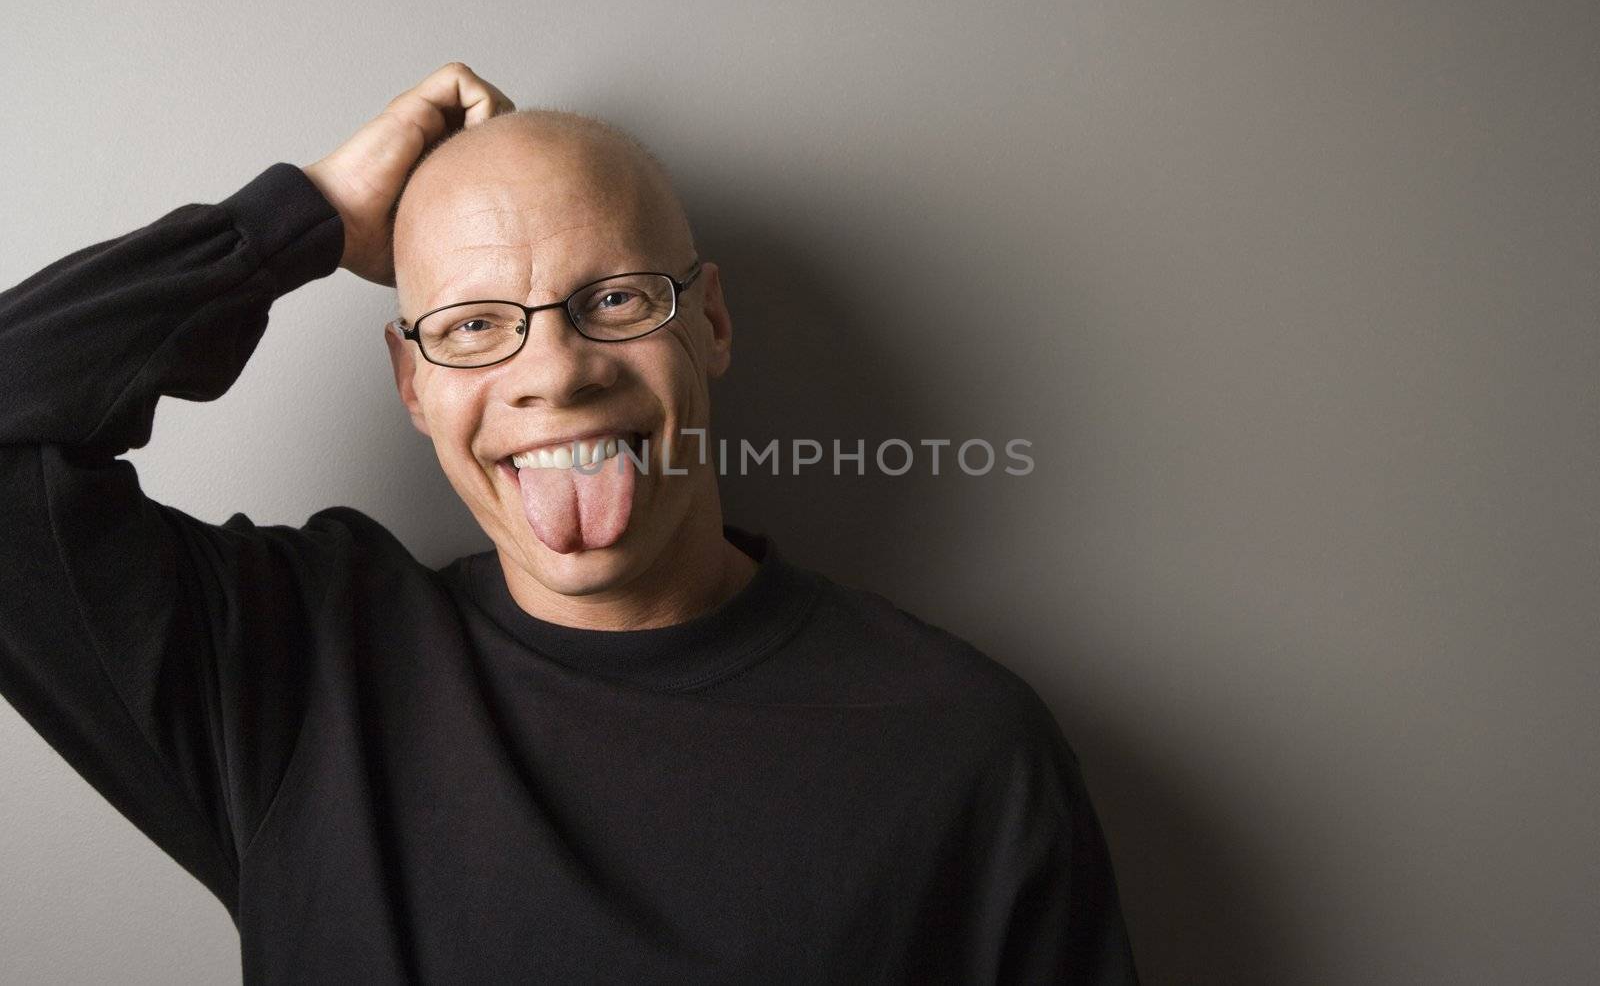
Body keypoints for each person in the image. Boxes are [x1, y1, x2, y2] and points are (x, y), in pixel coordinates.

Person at [0, 62, 1139, 984]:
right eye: (474, 323)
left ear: (715, 323)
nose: (555, 371)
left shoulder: (966, 746)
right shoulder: (289, 674)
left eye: (616, 300)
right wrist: (295, 221)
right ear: (410, 382)